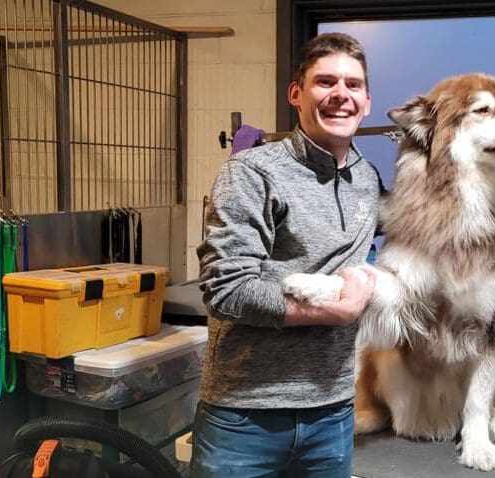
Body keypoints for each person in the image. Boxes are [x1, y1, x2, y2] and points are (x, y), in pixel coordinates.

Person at [190, 32, 381, 478]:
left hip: (332, 414)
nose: (340, 95)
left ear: (367, 101)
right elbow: (226, 289)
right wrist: (334, 313)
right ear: (296, 94)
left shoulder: (369, 180)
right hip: (245, 416)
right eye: (325, 82)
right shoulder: (253, 172)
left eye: (353, 85)